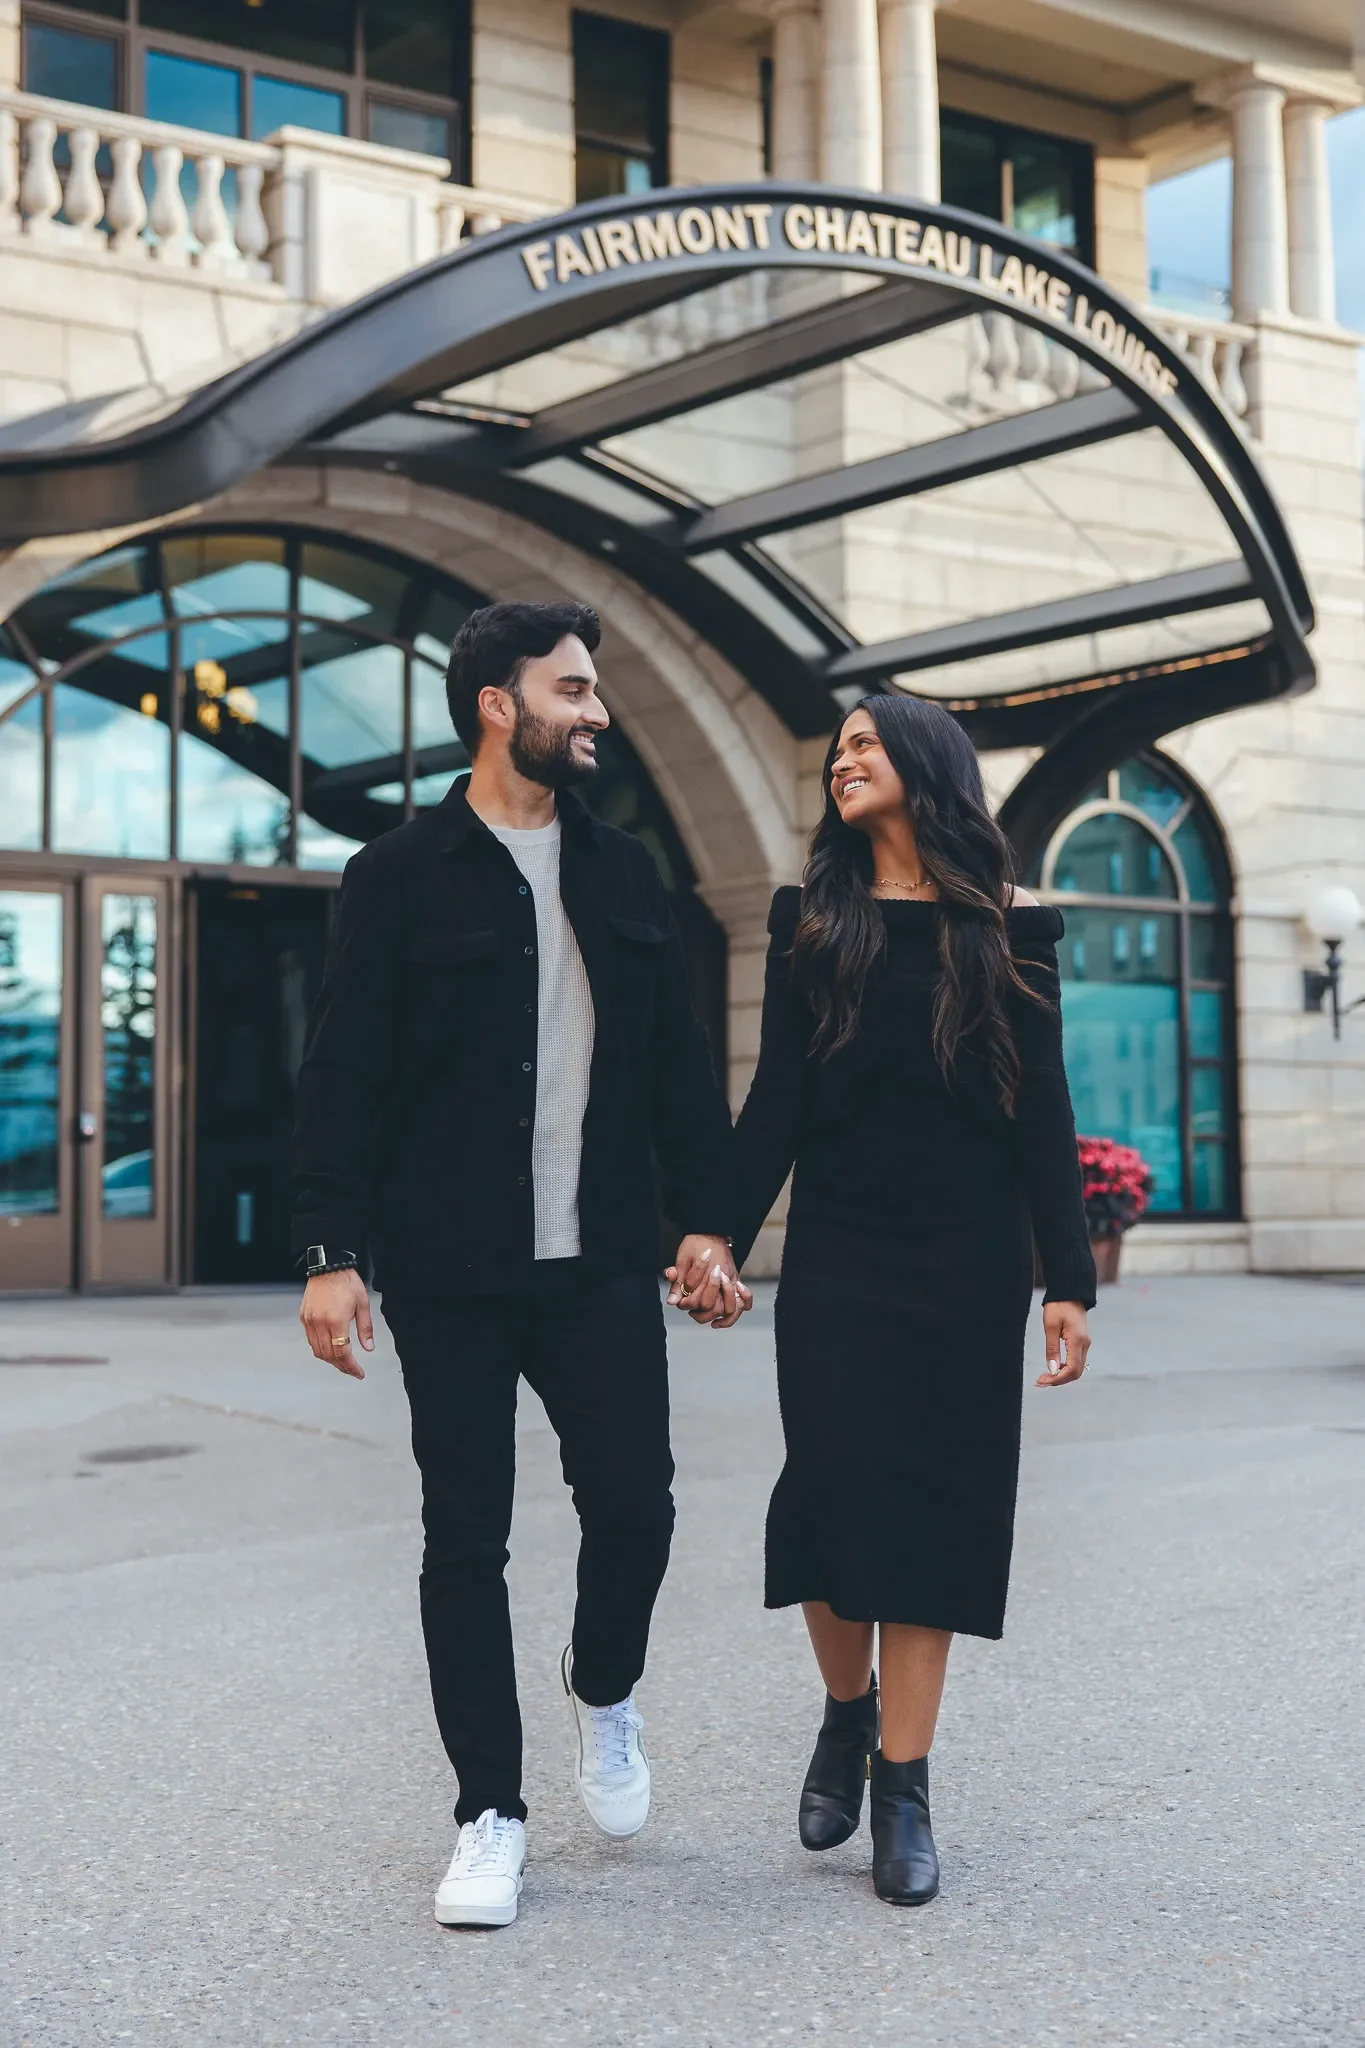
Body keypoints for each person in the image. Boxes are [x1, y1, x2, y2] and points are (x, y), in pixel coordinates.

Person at [291, 599, 749, 1929]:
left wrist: (706, 1229)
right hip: (450, 1266)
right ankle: (488, 1812)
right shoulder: (400, 871)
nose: (596, 711)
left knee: (640, 1506)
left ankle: (602, 1687)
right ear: (500, 703)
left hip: (598, 1257)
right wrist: (332, 1253)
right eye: (574, 689)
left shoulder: (624, 876)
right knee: (464, 1537)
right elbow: (344, 1078)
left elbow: (676, 1079)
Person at [729, 692, 1095, 1908]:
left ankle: (906, 1784)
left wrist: (1069, 1278)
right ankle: (847, 1707)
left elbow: (1042, 1111)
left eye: (865, 742)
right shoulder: (810, 921)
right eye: (836, 747)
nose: (844, 759)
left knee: (933, 1516)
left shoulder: (1011, 930)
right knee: (827, 1488)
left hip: (967, 1260)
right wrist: (717, 1234)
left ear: (925, 763)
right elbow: (776, 1096)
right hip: (840, 1250)